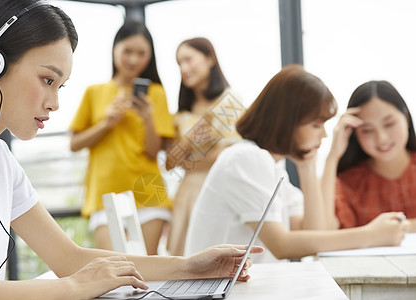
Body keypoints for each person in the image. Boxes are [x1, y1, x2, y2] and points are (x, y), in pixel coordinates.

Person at [0, 1, 262, 298]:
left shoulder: (2, 164)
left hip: (147, 193)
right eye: (47, 80)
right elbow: (72, 276)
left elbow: (69, 259)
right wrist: (72, 287)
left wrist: (187, 267)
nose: (54, 103)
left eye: (60, 86)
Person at [185, 65, 409, 262]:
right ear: (288, 122)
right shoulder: (246, 158)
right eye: (316, 124)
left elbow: (315, 233)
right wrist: (370, 235)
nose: (324, 134)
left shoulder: (272, 165)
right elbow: (283, 246)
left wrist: (307, 167)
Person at [69, 20, 175, 254]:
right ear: (115, 49)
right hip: (104, 192)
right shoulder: (94, 92)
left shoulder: (156, 94)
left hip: (148, 192)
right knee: (116, 270)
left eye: (142, 53)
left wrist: (147, 118)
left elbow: (152, 151)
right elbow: (74, 144)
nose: (134, 60)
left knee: (149, 272)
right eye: (128, 51)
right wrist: (106, 124)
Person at [166, 37, 242, 256]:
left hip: (219, 188)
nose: (184, 68)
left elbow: (230, 154)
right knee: (183, 262)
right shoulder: (181, 113)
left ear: (210, 59)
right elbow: (171, 162)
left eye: (189, 59)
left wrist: (188, 161)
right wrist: (191, 140)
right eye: (179, 63)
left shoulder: (230, 101)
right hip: (187, 195)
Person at [321, 80, 416, 232]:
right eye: (367, 130)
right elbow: (324, 232)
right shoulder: (349, 184)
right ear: (354, 134)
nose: (382, 138)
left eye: (389, 124)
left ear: (406, 118)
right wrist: (332, 157)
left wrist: (401, 228)